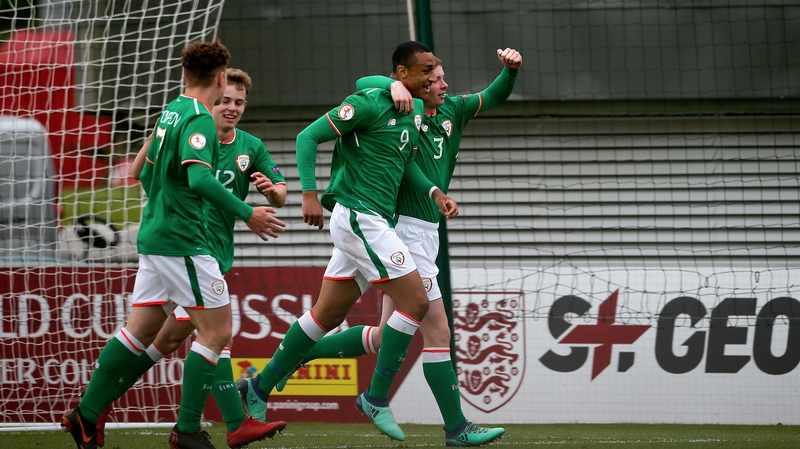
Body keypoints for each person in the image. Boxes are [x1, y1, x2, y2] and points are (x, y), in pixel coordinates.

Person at [270, 48, 522, 447]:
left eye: (440, 76)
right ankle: (439, 421)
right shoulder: (402, 104)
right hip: (397, 226)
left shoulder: (449, 110)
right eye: (433, 76)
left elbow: (491, 97)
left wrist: (510, 71)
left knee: (380, 333)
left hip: (395, 225)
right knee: (434, 329)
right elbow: (365, 86)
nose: (441, 83)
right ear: (411, 79)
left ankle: (298, 358)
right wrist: (389, 82)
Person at [61, 41, 285, 449]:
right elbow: (200, 181)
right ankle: (187, 431)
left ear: (184, 76)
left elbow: (141, 173)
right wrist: (247, 213)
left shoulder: (171, 110)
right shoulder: (198, 119)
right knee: (216, 332)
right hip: (183, 241)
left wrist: (165, 205)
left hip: (156, 235)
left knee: (139, 332)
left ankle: (86, 414)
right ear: (220, 79)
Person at [236, 41, 457, 442]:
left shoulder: (415, 113)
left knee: (327, 316)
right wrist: (308, 193)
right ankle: (376, 398)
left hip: (373, 221)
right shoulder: (370, 102)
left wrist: (433, 194)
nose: (435, 79)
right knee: (417, 303)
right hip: (359, 218)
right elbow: (308, 136)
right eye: (426, 71)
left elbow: (404, 166)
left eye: (437, 72)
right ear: (403, 75)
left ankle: (258, 386)